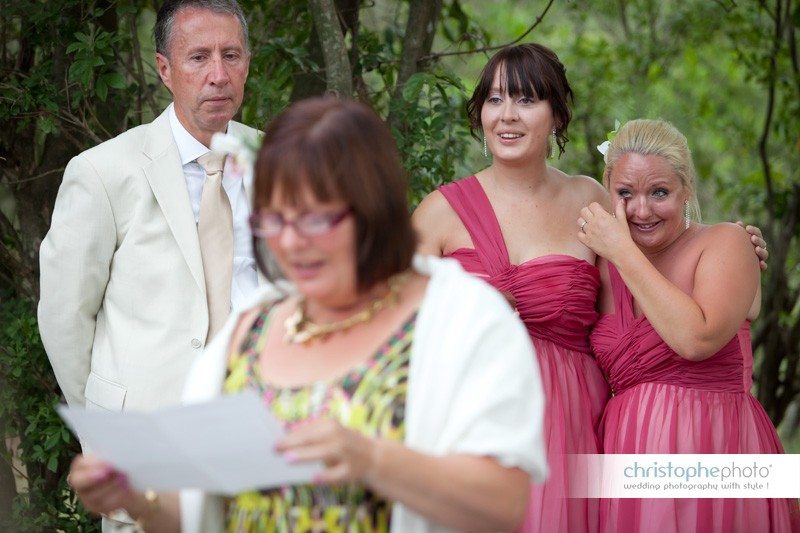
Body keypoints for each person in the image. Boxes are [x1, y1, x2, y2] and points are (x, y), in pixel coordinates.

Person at [66, 97, 548, 532]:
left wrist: (373, 460)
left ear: (371, 208)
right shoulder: (250, 327)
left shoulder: (462, 318)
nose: (292, 242)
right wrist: (139, 497)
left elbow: (503, 503)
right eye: (273, 219)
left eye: (315, 218)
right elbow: (199, 514)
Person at [412, 43, 771, 533]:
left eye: (526, 99)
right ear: (479, 115)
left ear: (558, 116)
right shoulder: (437, 212)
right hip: (474, 418)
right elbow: (391, 327)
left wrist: (740, 268)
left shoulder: (591, 200)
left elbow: (650, 289)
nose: (507, 115)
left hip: (576, 427)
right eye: (495, 100)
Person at [39, 0, 259, 414]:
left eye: (230, 56)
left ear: (246, 63)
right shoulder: (103, 172)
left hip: (257, 418)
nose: (218, 75)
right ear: (164, 70)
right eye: (198, 58)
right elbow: (64, 316)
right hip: (146, 432)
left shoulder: (279, 160)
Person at [580, 119, 799, 533]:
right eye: (625, 194)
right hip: (627, 461)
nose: (641, 210)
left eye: (659, 192)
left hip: (718, 454)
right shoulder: (599, 268)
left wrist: (623, 251)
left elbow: (696, 340)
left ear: (687, 190)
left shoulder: (726, 244)